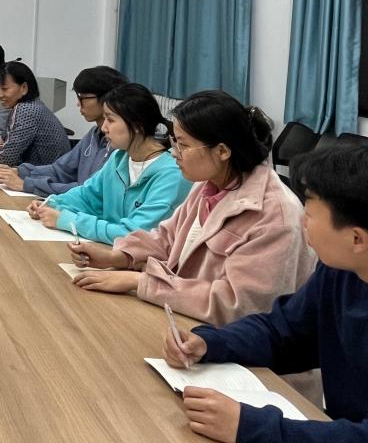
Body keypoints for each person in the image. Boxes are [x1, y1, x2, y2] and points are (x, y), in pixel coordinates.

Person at [162, 145, 368, 443]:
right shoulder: (340, 271)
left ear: (357, 239)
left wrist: (252, 427)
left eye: (310, 215)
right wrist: (211, 343)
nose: (302, 221)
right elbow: (284, 331)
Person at [67, 90, 315, 326]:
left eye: (183, 145)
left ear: (222, 151)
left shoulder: (274, 215)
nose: (174, 153)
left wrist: (140, 281)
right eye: (174, 142)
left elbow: (239, 304)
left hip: (234, 344)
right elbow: (166, 238)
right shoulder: (210, 184)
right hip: (187, 318)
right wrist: (118, 257)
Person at [28, 82, 189, 244]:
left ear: (137, 125)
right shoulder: (119, 158)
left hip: (137, 257)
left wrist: (68, 221)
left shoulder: (173, 174)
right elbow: (87, 196)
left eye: (110, 120)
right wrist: (52, 204)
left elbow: (134, 234)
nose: (104, 127)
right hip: (109, 251)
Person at [0, 65, 128, 195]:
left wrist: (27, 184)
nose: (78, 103)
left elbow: (89, 191)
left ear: (106, 99)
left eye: (83, 98)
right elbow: (60, 170)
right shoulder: (94, 134)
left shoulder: (119, 145)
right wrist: (21, 172)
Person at [0, 60, 70, 165]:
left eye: (4, 89)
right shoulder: (28, 105)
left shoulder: (26, 110)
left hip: (44, 177)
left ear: (24, 88)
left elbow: (6, 158)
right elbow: (1, 140)